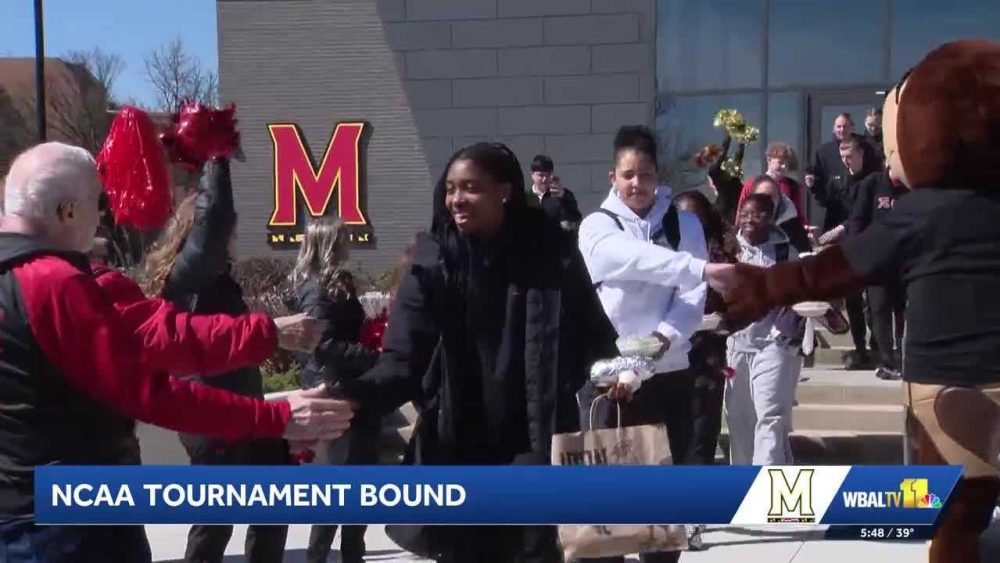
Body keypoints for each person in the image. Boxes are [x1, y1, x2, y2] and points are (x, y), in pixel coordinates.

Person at [703, 39, 1000, 563]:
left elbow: (833, 269)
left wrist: (765, 287)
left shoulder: (918, 213)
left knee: (955, 514)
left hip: (947, 388)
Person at [0, 142, 353, 562]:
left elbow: (156, 336)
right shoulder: (52, 283)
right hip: (66, 520)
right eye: (99, 202)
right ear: (68, 211)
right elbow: (147, 390)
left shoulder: (39, 280)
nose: (103, 217)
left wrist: (266, 335)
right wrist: (275, 418)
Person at [336, 142, 621, 562]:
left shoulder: (551, 254)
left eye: (470, 187)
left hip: (535, 441)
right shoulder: (433, 264)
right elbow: (402, 360)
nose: (456, 199)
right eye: (451, 189)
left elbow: (594, 334)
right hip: (457, 447)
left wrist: (617, 372)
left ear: (504, 191)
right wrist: (350, 397)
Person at [144, 158, 295, 563]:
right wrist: (217, 156)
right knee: (216, 521)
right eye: (231, 230)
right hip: (210, 414)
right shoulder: (189, 278)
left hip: (244, 407)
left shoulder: (215, 279)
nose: (235, 236)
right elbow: (213, 222)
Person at [576, 125, 708, 563]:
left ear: (658, 175)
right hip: (608, 384)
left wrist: (657, 343)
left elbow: (691, 297)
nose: (637, 183)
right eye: (628, 174)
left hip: (667, 375)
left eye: (646, 174)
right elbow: (632, 260)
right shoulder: (597, 226)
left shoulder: (684, 223)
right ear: (612, 177)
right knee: (607, 519)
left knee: (661, 517)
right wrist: (693, 267)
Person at [291, 217, 377, 563]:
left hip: (350, 387)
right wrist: (371, 354)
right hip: (334, 390)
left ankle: (354, 553)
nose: (349, 244)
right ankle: (318, 556)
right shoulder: (316, 289)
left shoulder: (335, 283)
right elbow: (322, 344)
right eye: (343, 238)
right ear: (328, 244)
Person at [672, 190, 738, 551]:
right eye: (683, 216)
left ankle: (692, 517)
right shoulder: (663, 253)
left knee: (701, 436)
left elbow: (738, 303)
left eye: (695, 217)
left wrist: (725, 319)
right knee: (672, 440)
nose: (689, 224)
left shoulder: (721, 257)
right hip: (668, 360)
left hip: (707, 355)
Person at [725, 194, 803, 466]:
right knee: (739, 418)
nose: (749, 220)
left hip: (773, 343)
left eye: (757, 214)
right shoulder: (728, 249)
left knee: (770, 415)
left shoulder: (785, 253)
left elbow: (800, 293)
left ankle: (768, 478)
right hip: (736, 344)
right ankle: (743, 480)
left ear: (771, 218)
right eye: (745, 214)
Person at [816, 135, 874, 370]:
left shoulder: (873, 180)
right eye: (842, 157)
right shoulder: (838, 182)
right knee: (852, 301)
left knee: (873, 302)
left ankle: (877, 345)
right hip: (847, 249)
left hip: (870, 244)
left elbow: (868, 214)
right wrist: (824, 238)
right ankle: (860, 349)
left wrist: (842, 228)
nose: (845, 161)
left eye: (849, 156)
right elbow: (832, 214)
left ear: (861, 154)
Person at [845, 169, 909, 380]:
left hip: (906, 260)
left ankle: (904, 358)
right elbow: (858, 221)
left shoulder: (913, 185)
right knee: (879, 309)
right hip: (877, 261)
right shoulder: (872, 184)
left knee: (904, 310)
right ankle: (888, 362)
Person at [805, 113, 879, 207]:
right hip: (835, 204)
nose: (842, 130)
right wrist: (812, 184)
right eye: (838, 127)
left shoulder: (865, 147)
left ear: (852, 128)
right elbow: (816, 176)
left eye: (845, 126)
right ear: (834, 128)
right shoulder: (824, 151)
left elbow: (874, 171)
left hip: (860, 201)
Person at [736, 142, 806, 226]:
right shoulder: (752, 183)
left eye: (787, 164)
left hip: (785, 232)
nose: (784, 166)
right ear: (769, 160)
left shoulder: (793, 186)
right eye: (780, 162)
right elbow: (741, 210)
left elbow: (798, 215)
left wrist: (805, 228)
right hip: (758, 230)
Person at [749, 175, 812, 254]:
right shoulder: (747, 226)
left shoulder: (794, 229)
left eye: (771, 196)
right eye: (761, 196)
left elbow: (805, 256)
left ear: (779, 199)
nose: (766, 201)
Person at [528, 154, 583, 233]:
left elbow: (575, 219)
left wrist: (563, 198)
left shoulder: (563, 195)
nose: (544, 179)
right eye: (540, 175)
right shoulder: (524, 197)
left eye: (548, 175)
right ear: (532, 175)